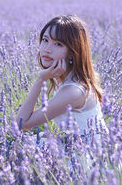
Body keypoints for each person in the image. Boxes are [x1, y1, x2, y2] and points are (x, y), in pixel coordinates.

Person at [16, 14, 107, 143]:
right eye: (45, 40)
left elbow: (21, 123)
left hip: (88, 158)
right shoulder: (70, 80)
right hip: (79, 149)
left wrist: (41, 78)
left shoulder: (74, 91)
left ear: (72, 51)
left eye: (58, 44)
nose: (47, 49)